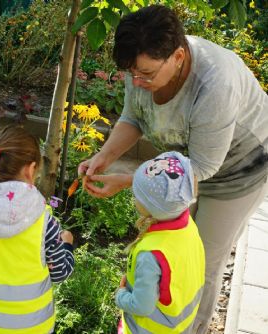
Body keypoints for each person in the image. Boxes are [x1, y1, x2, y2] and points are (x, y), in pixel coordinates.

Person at [78, 5, 268, 333]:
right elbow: (134, 117)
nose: (136, 81)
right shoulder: (142, 64)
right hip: (181, 169)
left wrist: (131, 182)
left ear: (178, 57)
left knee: (200, 262)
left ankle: (191, 328)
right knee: (171, 249)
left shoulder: (215, 85)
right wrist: (104, 157)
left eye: (146, 75)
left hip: (239, 172)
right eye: (131, 73)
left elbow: (204, 166)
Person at [0, 125, 75, 334]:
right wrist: (67, 244)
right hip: (34, 326)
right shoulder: (42, 220)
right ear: (30, 169)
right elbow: (61, 273)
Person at [115, 151, 205, 333]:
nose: (133, 196)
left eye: (137, 194)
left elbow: (142, 306)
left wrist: (120, 296)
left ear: (152, 208)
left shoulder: (150, 254)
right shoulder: (187, 225)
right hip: (179, 325)